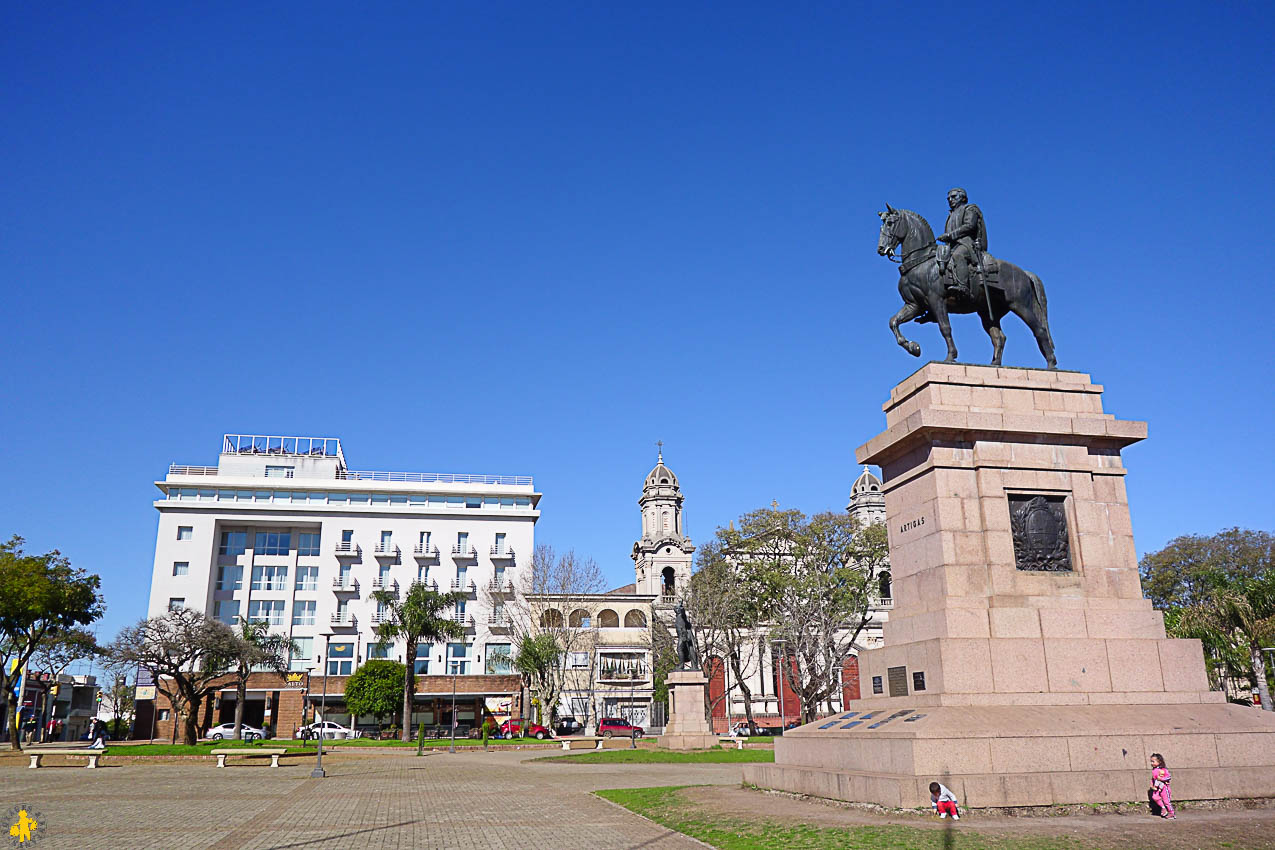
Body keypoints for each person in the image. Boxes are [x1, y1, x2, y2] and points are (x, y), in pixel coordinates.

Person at [936, 187, 987, 299]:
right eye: (948, 198)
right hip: (952, 246)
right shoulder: (950, 215)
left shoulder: (970, 209)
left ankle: (963, 286)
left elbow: (970, 226)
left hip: (967, 244)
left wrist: (949, 235)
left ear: (963, 198)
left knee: (958, 255)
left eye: (953, 197)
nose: (950, 199)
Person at [1149, 753, 1175, 819]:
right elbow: (1153, 778)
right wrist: (1152, 785)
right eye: (1151, 761)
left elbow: (1168, 777)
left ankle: (1172, 813)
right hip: (1157, 787)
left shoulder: (1163, 770)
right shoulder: (1154, 770)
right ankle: (1163, 808)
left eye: (1153, 761)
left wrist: (1161, 779)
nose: (1151, 763)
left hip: (1164, 787)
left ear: (1159, 761)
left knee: (1166, 801)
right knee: (1155, 797)